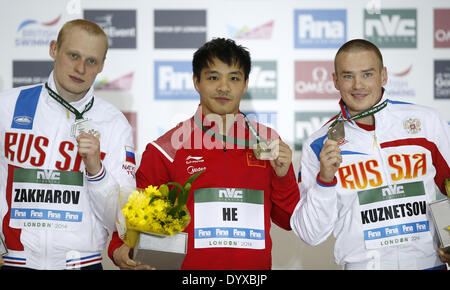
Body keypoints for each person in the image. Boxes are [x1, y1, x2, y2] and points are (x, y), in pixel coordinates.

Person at [108, 38, 300, 270]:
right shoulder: (166, 148)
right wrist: (120, 248)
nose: (224, 87)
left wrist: (283, 177)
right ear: (196, 82)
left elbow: (288, 220)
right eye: (213, 77)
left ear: (246, 84)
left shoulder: (268, 143)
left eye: (234, 78)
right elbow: (133, 219)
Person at [290, 39, 450, 270]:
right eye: (348, 76)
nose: (358, 85)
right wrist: (324, 181)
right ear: (335, 80)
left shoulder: (426, 122)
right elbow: (310, 234)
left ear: (383, 75)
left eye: (367, 74)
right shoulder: (318, 144)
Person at [0, 19, 136, 269]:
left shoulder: (115, 123)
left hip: (81, 264)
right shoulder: (6, 106)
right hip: (14, 262)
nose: (81, 68)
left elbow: (121, 219)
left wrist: (97, 170)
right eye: (73, 55)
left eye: (91, 61)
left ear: (102, 66)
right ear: (53, 49)